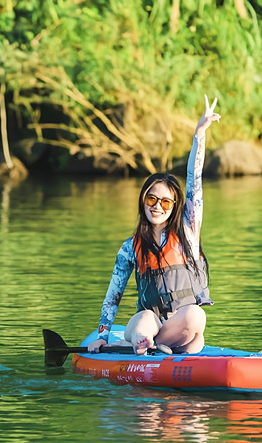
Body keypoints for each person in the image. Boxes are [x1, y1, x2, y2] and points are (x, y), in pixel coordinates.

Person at [87, 95, 221, 355]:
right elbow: (113, 296)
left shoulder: (188, 232)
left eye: (165, 202)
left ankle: (155, 345)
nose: (157, 206)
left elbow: (195, 180)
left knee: (196, 316)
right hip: (147, 323)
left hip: (181, 327)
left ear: (174, 207)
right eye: (151, 198)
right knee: (145, 321)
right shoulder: (130, 248)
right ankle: (145, 342)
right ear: (143, 201)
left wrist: (199, 134)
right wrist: (102, 335)